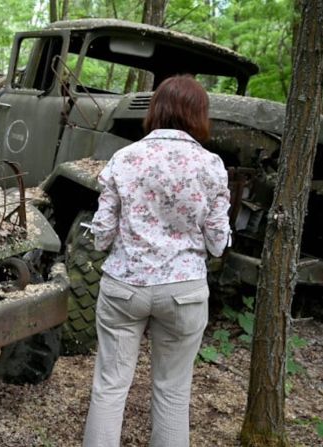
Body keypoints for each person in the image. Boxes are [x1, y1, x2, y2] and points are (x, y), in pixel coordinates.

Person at [82, 75, 231, 447]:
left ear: (156, 110)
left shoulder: (124, 158)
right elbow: (216, 243)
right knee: (173, 392)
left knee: (110, 388)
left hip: (124, 287)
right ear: (199, 115)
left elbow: (101, 233)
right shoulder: (211, 165)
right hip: (184, 292)